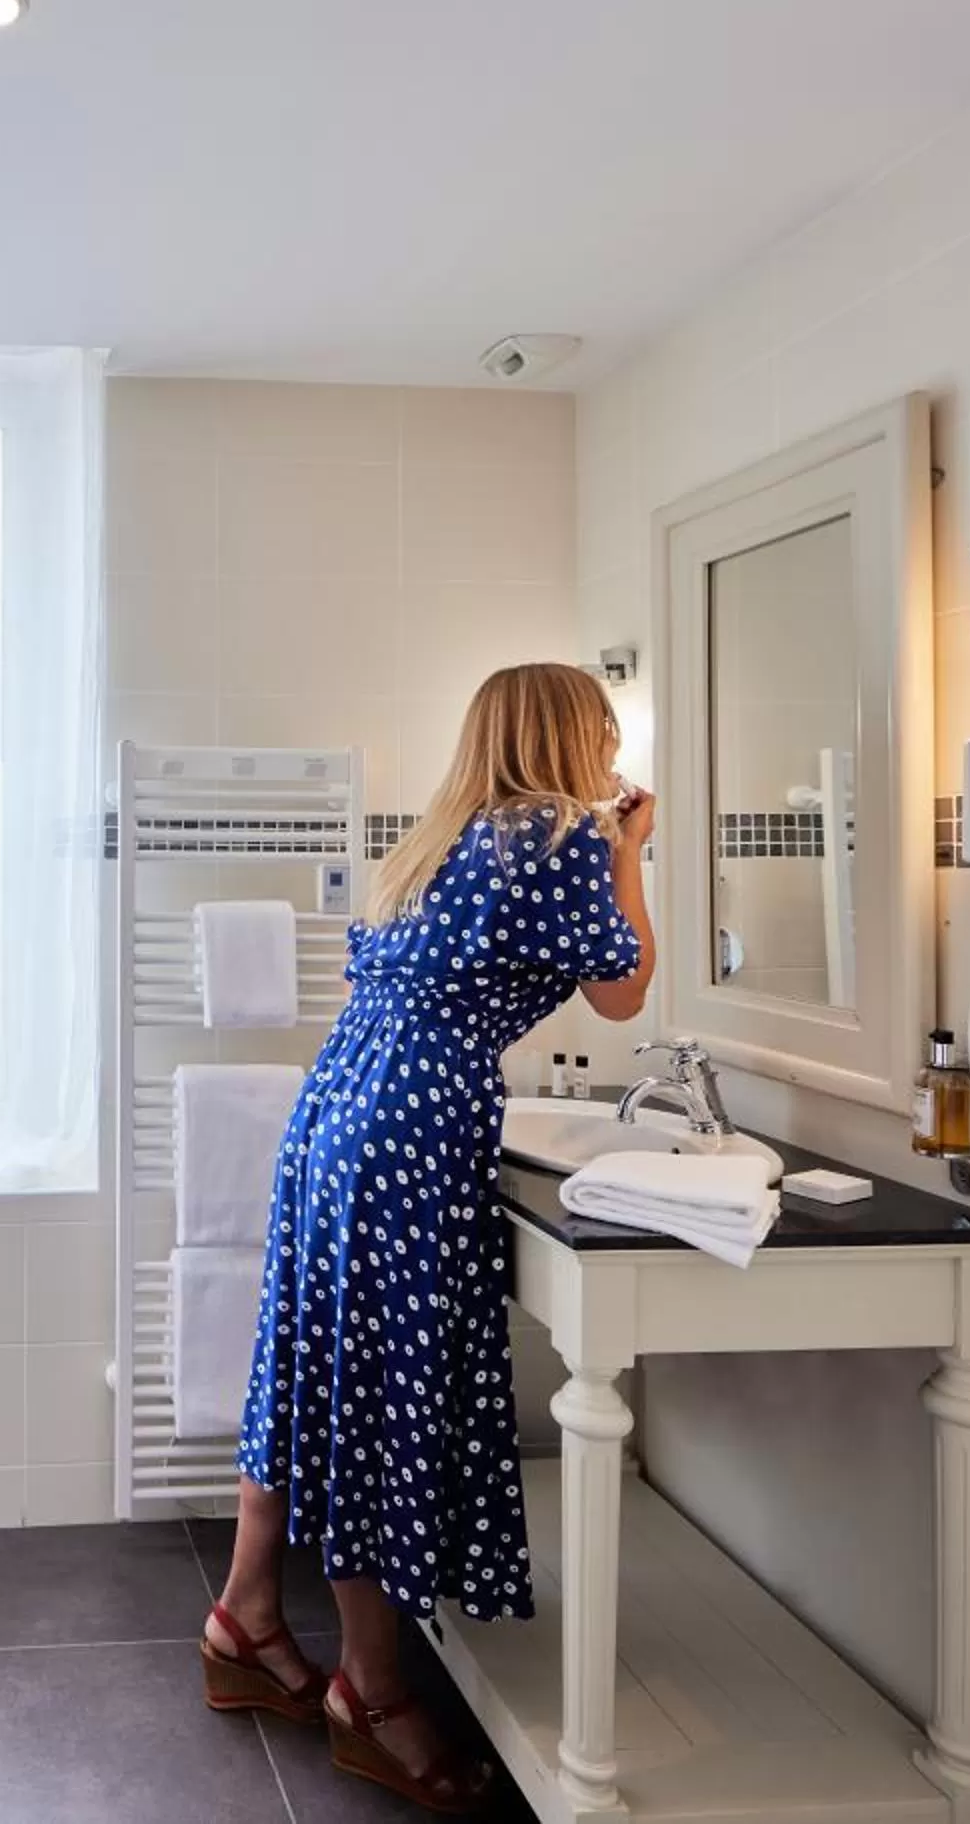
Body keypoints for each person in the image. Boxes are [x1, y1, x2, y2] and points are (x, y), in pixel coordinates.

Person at [196, 662, 656, 1814]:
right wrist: (630, 851)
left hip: (337, 1113)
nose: (608, 755)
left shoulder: (437, 840)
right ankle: (374, 1690)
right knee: (380, 1400)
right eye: (600, 733)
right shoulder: (553, 837)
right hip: (413, 1127)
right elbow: (624, 992)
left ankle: (247, 1618)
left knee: (314, 1375)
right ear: (570, 739)